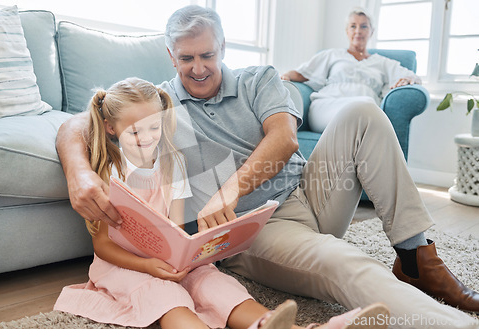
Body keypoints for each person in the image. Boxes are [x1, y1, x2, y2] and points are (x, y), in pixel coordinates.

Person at [55, 5, 479, 329]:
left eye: (207, 55)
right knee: (346, 262)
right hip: (256, 229)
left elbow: (284, 139)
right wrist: (79, 171)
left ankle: (414, 257)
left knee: (363, 111)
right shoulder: (161, 105)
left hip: (308, 193)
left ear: (223, 48)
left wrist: (231, 186)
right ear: (170, 55)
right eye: (186, 58)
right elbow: (81, 120)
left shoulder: (259, 79)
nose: (198, 68)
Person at [53, 78, 386, 329]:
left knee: (217, 284)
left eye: (154, 128)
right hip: (125, 266)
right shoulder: (109, 173)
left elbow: (179, 230)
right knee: (168, 298)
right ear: (111, 128)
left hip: (171, 261)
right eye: (134, 132)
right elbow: (102, 247)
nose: (147, 139)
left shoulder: (173, 165)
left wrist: (198, 250)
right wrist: (149, 266)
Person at [281, 8, 421, 133]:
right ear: (347, 31)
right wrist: (286, 75)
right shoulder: (331, 54)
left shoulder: (383, 62)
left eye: (364, 26)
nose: (358, 31)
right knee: (367, 109)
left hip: (366, 112)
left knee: (367, 109)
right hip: (328, 106)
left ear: (371, 31)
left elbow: (411, 76)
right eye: (353, 26)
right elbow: (300, 73)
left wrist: (410, 79)